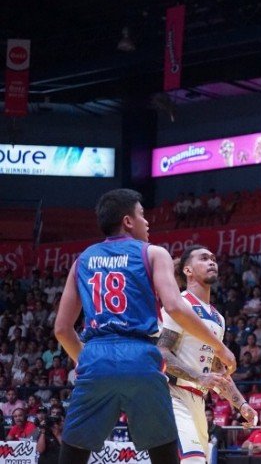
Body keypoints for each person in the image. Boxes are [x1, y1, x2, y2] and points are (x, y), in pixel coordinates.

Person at [53, 188, 236, 464]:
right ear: (128, 221)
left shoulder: (82, 260)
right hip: (140, 356)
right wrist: (219, 347)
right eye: (142, 215)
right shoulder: (153, 253)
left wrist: (89, 359)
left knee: (73, 454)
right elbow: (175, 306)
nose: (147, 222)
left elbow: (62, 330)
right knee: (163, 452)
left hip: (96, 354)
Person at [157, 244, 257, 464]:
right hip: (171, 395)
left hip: (198, 400)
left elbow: (216, 369)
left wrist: (241, 404)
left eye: (213, 258)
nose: (212, 261)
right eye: (203, 258)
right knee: (192, 460)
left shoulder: (217, 318)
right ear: (187, 270)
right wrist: (199, 376)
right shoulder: (179, 304)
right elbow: (160, 352)